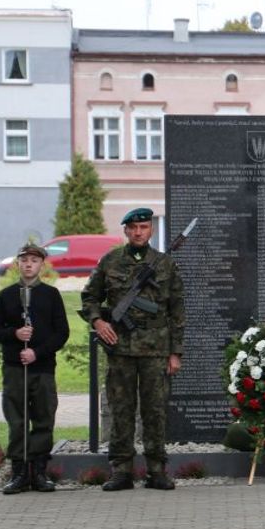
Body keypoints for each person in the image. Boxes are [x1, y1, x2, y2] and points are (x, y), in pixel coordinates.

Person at [81, 207, 185, 491]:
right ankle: (122, 471)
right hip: (120, 350)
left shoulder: (165, 265)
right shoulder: (110, 261)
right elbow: (89, 297)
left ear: (151, 230)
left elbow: (176, 310)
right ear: (125, 231)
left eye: (144, 227)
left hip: (155, 351)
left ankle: (156, 470)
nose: (138, 232)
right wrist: (98, 321)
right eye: (133, 228)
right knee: (121, 409)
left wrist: (175, 353)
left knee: (155, 411)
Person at [0, 242, 70, 494]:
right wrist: (15, 333)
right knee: (17, 419)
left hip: (43, 368)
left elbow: (61, 333)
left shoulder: (51, 295)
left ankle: (40, 471)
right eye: (24, 260)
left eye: (34, 261)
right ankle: (19, 472)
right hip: (14, 368)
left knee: (43, 417)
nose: (28, 264)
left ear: (41, 265)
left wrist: (37, 352)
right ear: (18, 264)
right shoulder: (7, 295)